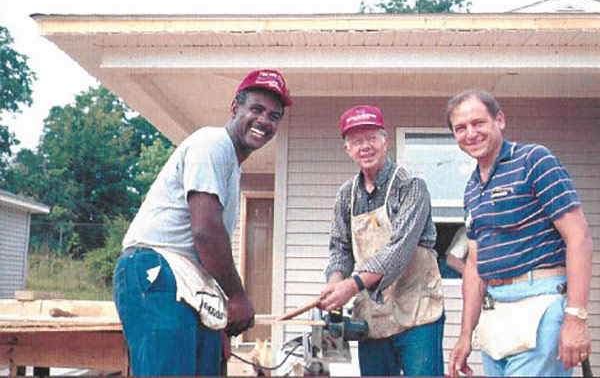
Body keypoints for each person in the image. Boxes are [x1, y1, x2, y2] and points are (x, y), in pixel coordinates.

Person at [113, 69, 292, 376]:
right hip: (157, 269)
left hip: (190, 279)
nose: (264, 121)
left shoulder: (232, 165)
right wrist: (237, 296)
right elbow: (206, 232)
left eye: (274, 116)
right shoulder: (212, 143)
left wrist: (223, 300)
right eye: (257, 109)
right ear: (235, 108)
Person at [446, 89, 592, 377]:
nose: (470, 133)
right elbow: (474, 265)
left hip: (540, 302)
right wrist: (465, 334)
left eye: (478, 123)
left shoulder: (534, 160)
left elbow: (579, 238)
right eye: (460, 128)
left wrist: (576, 316)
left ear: (499, 120)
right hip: (495, 312)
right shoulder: (472, 188)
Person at [319, 105, 445, 377]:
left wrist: (351, 286)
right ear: (347, 149)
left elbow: (399, 250)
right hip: (373, 317)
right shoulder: (346, 195)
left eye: (371, 138)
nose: (365, 146)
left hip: (418, 313)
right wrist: (334, 284)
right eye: (356, 140)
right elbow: (340, 250)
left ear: (385, 142)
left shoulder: (411, 186)